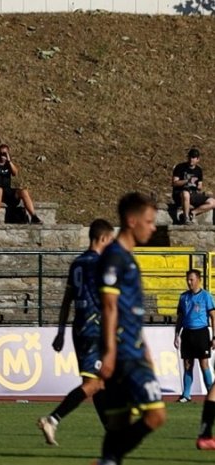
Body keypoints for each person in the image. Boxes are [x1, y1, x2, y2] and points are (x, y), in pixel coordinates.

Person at [94, 192, 165, 465]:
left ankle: (109, 460)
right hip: (123, 352)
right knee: (155, 415)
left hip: (134, 349)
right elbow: (109, 307)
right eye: (149, 221)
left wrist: (145, 348)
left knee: (119, 422)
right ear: (131, 221)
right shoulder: (114, 258)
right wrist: (110, 352)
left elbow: (130, 311)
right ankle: (109, 459)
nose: (153, 227)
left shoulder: (129, 259)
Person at [37, 219, 115, 446]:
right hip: (95, 329)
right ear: (103, 238)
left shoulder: (77, 263)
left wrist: (61, 332)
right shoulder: (101, 264)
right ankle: (52, 419)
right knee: (94, 383)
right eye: (110, 240)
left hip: (78, 327)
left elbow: (66, 300)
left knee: (98, 383)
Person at [174, 269, 215, 402]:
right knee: (187, 364)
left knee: (204, 364)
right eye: (187, 279)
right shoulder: (183, 297)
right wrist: (176, 334)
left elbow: (213, 316)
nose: (189, 282)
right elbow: (180, 318)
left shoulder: (206, 296)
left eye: (191, 279)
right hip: (187, 333)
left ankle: (211, 394)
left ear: (199, 280)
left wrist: (214, 337)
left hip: (201, 332)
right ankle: (186, 395)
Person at [0, 144, 41, 224]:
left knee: (24, 191)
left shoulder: (8, 164)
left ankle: (34, 216)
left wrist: (9, 161)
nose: (2, 156)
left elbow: (15, 173)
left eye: (5, 153)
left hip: (6, 191)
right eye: (1, 153)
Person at [171, 148, 215, 224]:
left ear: (198, 159)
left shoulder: (199, 170)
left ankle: (192, 213)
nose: (191, 159)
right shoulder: (180, 167)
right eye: (190, 157)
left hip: (193, 194)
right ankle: (186, 218)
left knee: (213, 202)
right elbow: (174, 183)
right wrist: (187, 181)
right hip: (180, 193)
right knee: (186, 193)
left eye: (194, 158)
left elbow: (200, 186)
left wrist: (199, 186)